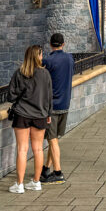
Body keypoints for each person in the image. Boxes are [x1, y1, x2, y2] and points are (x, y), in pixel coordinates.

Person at [7, 44, 53, 193]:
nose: (42, 57)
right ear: (37, 56)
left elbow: (11, 96)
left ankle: (19, 184)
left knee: (22, 149)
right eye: (41, 54)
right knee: (38, 149)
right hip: (40, 115)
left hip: (22, 114)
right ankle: (36, 181)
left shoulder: (20, 73)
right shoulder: (45, 74)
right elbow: (49, 97)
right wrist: (49, 114)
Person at [41, 33, 74, 184]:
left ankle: (58, 172)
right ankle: (46, 168)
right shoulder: (70, 58)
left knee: (52, 139)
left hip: (52, 106)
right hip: (65, 103)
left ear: (50, 44)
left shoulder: (47, 61)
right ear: (63, 44)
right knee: (53, 138)